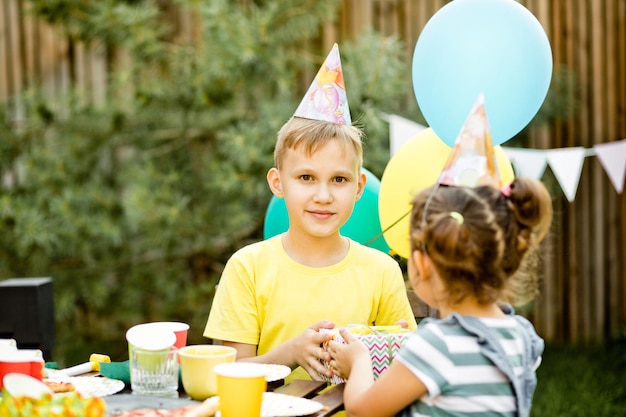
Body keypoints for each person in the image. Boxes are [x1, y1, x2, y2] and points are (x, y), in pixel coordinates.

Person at [203, 44, 417, 382]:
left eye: (339, 179)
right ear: (278, 183)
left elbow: (402, 373)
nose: (323, 195)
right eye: (306, 177)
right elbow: (226, 375)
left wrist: (392, 351)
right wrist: (290, 354)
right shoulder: (247, 268)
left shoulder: (382, 271)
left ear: (359, 187)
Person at [326, 177, 553, 417]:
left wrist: (359, 361)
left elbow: (362, 411)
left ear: (422, 264)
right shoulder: (521, 335)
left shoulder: (437, 343)